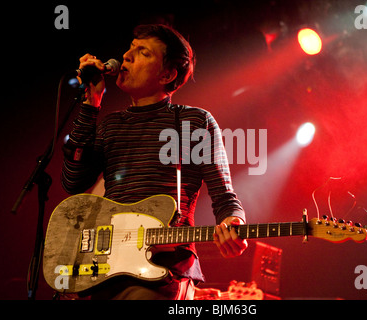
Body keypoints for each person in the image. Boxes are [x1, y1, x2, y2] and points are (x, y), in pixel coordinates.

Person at [61, 24, 248, 300]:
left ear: (167, 74)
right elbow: (73, 182)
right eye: (130, 48)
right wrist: (90, 104)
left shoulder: (195, 122)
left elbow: (224, 198)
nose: (126, 56)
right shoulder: (110, 125)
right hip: (106, 267)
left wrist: (234, 224)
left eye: (142, 52)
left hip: (163, 269)